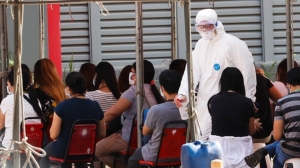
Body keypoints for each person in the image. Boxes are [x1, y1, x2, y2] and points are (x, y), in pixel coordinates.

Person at [174, 9, 256, 140]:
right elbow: (192, 72)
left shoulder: (233, 43)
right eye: (201, 26)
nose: (205, 30)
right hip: (205, 101)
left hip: (231, 103)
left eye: (209, 25)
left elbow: (247, 73)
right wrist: (183, 94)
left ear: (216, 24)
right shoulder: (200, 45)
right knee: (204, 141)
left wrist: (249, 100)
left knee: (227, 138)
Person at [95, 60, 164, 168]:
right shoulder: (155, 92)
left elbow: (112, 112)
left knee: (98, 150)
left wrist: (97, 122)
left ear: (139, 75)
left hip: (129, 138)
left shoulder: (133, 91)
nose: (131, 76)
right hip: (151, 138)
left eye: (133, 73)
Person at [40, 72, 106, 167]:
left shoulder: (62, 106)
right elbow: (102, 133)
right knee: (78, 158)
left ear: (68, 88)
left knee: (45, 151)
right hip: (86, 151)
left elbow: (53, 135)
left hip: (63, 150)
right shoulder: (95, 106)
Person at [245, 67, 300, 168]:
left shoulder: (283, 102)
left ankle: (266, 150)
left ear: (289, 84)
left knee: (280, 147)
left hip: (290, 151)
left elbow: (277, 136)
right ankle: (266, 149)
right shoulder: (264, 80)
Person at [127, 70, 183, 168]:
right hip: (180, 153)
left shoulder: (156, 110)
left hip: (155, 154)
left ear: (162, 88)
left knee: (133, 160)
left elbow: (145, 131)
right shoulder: (187, 110)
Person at [207, 67, 256, 168]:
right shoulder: (247, 102)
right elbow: (251, 131)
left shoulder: (213, 100)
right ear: (240, 83)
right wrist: (256, 125)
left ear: (222, 82)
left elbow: (219, 121)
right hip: (242, 149)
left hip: (218, 148)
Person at [0, 68, 41, 149]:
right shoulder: (36, 101)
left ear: (13, 84)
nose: (7, 86)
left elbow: (1, 124)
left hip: (11, 146)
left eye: (8, 84)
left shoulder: (7, 100)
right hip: (33, 147)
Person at [86, 62, 121, 136]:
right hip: (115, 134)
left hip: (97, 135)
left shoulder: (90, 95)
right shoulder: (120, 97)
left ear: (97, 76)